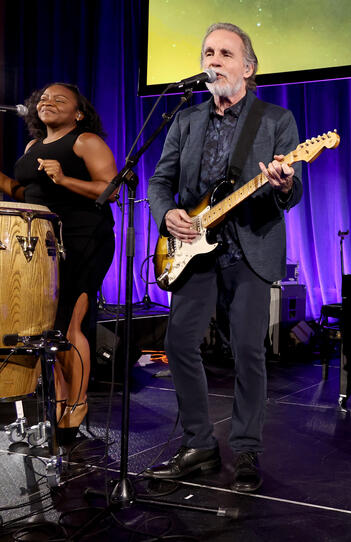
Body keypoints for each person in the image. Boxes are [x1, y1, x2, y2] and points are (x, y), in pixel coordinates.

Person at [145, 22, 302, 493]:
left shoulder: (275, 120)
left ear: (248, 68)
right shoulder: (186, 121)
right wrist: (167, 213)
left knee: (249, 352)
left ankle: (247, 449)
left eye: (225, 54)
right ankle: (199, 444)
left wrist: (285, 183)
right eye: (208, 52)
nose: (213, 61)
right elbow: (158, 183)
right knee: (178, 344)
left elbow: (292, 195)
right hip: (193, 252)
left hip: (248, 249)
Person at [0, 82, 117, 445]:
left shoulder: (85, 141)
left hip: (83, 239)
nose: (48, 102)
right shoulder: (33, 146)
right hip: (42, 243)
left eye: (59, 99)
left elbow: (110, 187)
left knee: (69, 325)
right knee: (49, 327)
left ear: (78, 113)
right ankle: (59, 406)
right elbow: (27, 193)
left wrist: (65, 178)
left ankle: (76, 408)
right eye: (43, 99)